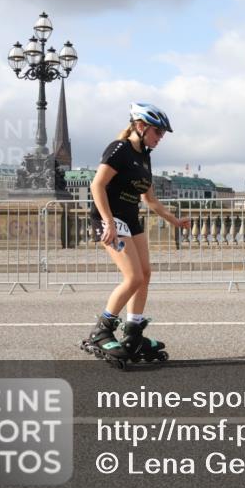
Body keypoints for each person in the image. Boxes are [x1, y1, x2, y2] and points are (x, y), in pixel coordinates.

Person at [80, 102, 191, 365]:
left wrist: (174, 221)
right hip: (111, 217)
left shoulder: (144, 156)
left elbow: (149, 199)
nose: (160, 138)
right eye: (158, 132)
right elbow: (97, 185)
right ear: (141, 126)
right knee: (133, 277)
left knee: (145, 275)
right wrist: (108, 222)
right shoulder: (119, 148)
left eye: (162, 134)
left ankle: (133, 332)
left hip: (130, 219)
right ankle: (101, 331)